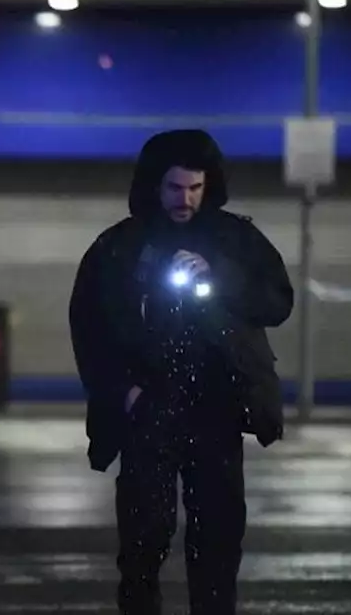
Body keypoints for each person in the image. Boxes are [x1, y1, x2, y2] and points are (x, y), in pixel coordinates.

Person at [68, 130, 293, 615]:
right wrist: (121, 393)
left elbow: (277, 302)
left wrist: (220, 276)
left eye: (195, 188)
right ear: (154, 185)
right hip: (147, 409)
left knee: (217, 539)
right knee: (143, 541)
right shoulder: (119, 248)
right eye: (175, 188)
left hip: (216, 411)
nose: (185, 199)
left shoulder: (235, 239)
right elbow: (89, 329)